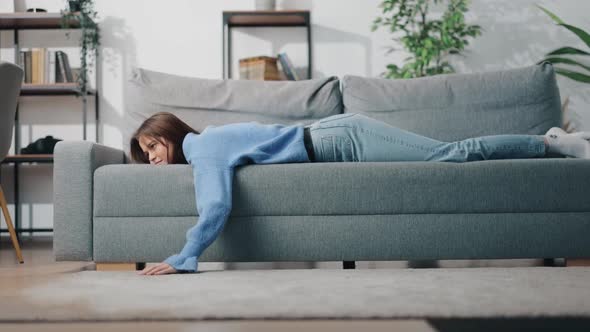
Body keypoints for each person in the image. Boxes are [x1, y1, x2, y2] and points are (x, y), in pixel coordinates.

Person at [131, 112, 590, 276]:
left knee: (451, 156)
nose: (150, 156)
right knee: (450, 156)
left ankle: (551, 144)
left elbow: (216, 205)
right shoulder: (204, 148)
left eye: (152, 145)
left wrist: (184, 255)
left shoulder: (203, 148)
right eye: (143, 152)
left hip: (341, 139)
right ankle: (548, 143)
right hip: (337, 139)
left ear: (169, 133)